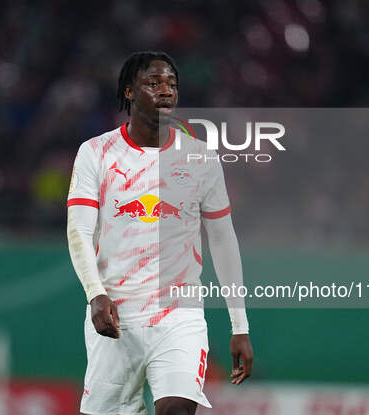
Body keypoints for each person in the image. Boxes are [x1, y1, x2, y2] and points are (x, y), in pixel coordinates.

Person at [67, 51, 253, 415]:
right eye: (153, 83)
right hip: (116, 318)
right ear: (130, 92)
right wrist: (96, 295)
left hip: (179, 315)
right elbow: (80, 231)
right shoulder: (96, 154)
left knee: (177, 411)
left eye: (171, 84)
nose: (165, 91)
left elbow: (222, 239)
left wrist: (239, 324)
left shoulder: (201, 159)